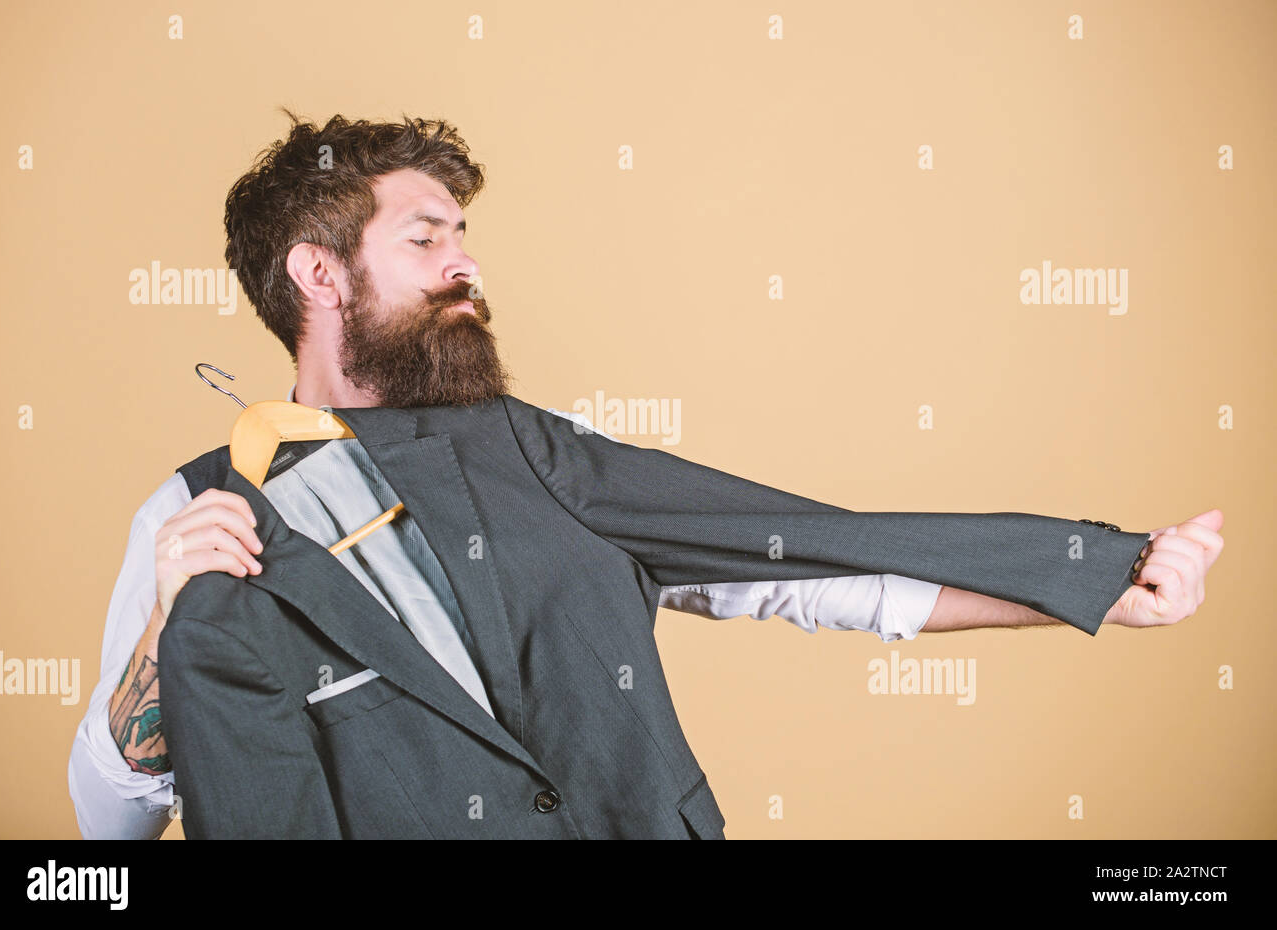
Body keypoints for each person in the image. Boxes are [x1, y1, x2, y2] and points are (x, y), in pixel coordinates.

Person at [68, 112, 1223, 839]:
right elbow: (104, 835)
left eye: (464, 233)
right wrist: (159, 643)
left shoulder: (540, 448)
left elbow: (800, 565)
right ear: (317, 274)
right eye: (424, 238)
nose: (465, 261)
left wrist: (1089, 582)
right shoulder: (193, 517)